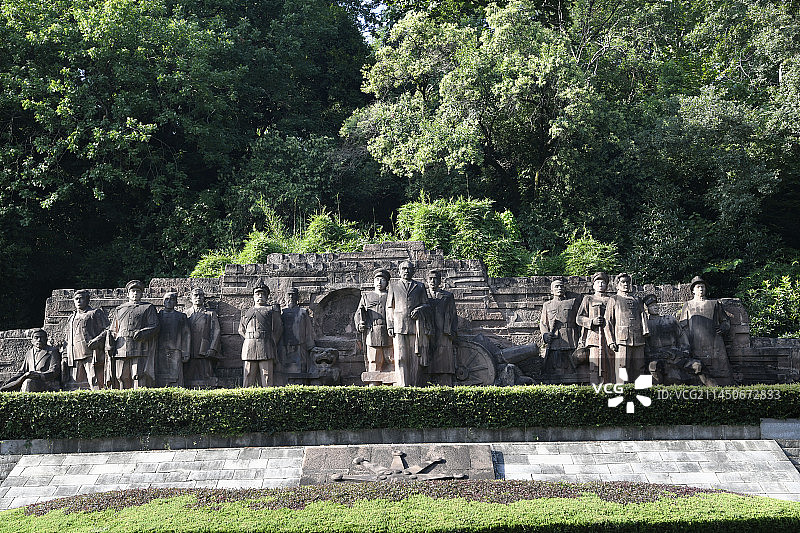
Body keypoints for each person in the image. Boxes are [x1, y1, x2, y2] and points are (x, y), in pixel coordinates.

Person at [678, 276, 734, 386]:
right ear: (693, 290)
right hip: (694, 341)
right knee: (697, 368)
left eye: (703, 287)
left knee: (719, 368)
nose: (701, 289)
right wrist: (685, 343)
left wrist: (723, 328)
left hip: (714, 341)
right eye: (698, 287)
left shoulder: (714, 304)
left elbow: (725, 321)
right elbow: (682, 326)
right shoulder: (688, 305)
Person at [643, 294, 709, 385]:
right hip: (659, 356)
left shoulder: (670, 319)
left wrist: (685, 350)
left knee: (697, 366)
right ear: (647, 309)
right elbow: (645, 346)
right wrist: (654, 355)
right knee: (653, 366)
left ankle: (715, 392)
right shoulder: (646, 325)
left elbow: (681, 335)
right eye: (652, 306)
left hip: (676, 354)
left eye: (656, 305)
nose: (655, 307)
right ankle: (657, 394)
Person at [107, 280, 160, 389]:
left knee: (138, 375)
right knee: (121, 375)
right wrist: (110, 343)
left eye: (138, 291)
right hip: (121, 346)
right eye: (133, 291)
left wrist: (143, 333)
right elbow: (113, 330)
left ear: (141, 294)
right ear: (128, 294)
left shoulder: (148, 307)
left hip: (140, 346)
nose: (135, 293)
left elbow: (155, 326)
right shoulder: (120, 309)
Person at [386, 260, 430, 387]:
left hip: (415, 326)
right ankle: (402, 384)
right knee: (400, 357)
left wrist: (419, 309)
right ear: (399, 271)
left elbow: (426, 304)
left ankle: (415, 385)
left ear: (413, 271)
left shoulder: (420, 286)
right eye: (404, 269)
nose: (406, 271)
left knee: (415, 358)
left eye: (409, 269)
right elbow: (389, 307)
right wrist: (390, 324)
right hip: (398, 326)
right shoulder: (393, 286)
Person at [604, 273, 649, 383]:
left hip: (638, 339)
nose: (625, 284)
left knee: (640, 367)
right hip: (622, 339)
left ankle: (641, 392)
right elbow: (608, 321)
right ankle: (622, 391)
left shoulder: (637, 300)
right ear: (617, 285)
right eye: (623, 282)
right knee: (622, 367)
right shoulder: (614, 299)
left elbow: (643, 315)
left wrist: (645, 332)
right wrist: (610, 341)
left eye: (627, 282)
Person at [62, 290, 109, 390]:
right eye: (76, 299)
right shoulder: (71, 317)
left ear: (87, 300)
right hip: (74, 354)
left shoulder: (95, 313)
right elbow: (67, 338)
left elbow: (108, 329)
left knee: (94, 381)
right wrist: (65, 355)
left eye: (81, 298)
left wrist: (97, 340)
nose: (78, 301)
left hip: (90, 353)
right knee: (74, 384)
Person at [354, 269, 393, 386]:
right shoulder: (367, 296)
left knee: (392, 359)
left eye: (382, 280)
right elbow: (358, 314)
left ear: (387, 282)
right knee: (374, 360)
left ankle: (391, 384)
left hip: (389, 332)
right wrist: (360, 324)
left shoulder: (391, 295)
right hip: (372, 332)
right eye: (377, 280)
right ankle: (373, 384)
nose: (379, 282)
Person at [239, 284, 282, 387]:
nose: (260, 296)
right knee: (248, 374)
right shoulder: (247, 311)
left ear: (267, 296)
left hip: (266, 344)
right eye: (257, 294)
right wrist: (249, 339)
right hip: (249, 345)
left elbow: (278, 328)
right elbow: (241, 329)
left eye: (263, 294)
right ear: (253, 296)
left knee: (266, 375)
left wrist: (271, 342)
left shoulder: (271, 310)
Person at [539, 278, 580, 382]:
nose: (559, 288)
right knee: (555, 364)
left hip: (570, 336)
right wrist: (545, 335)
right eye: (556, 286)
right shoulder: (547, 305)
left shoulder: (572, 303)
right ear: (551, 290)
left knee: (574, 363)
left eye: (561, 286)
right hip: (555, 338)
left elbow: (578, 320)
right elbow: (543, 323)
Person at [575, 272, 611, 385]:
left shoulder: (612, 300)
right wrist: (592, 322)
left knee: (610, 367)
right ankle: (595, 389)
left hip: (610, 339)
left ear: (607, 285)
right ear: (593, 285)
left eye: (603, 282)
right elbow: (579, 318)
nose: (600, 284)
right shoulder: (588, 299)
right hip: (594, 338)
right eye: (598, 282)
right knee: (595, 367)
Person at [426, 269, 458, 386]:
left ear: (439, 281)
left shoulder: (447, 296)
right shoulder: (423, 295)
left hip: (444, 333)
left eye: (435, 279)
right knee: (427, 362)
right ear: (427, 281)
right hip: (427, 332)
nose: (432, 281)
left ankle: (445, 386)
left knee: (444, 363)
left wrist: (453, 331)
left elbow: (453, 314)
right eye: (430, 279)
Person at [184, 288, 221, 388]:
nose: (198, 297)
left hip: (204, 348)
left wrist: (212, 348)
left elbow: (216, 331)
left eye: (200, 295)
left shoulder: (210, 314)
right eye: (195, 295)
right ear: (191, 298)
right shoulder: (186, 314)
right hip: (190, 349)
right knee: (188, 377)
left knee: (207, 376)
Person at [279, 287, 315, 385]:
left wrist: (310, 345)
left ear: (297, 297)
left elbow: (308, 329)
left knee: (301, 371)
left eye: (293, 295)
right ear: (285, 297)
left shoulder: (303, 312)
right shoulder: (281, 312)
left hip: (300, 345)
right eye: (289, 294)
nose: (291, 297)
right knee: (285, 371)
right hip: (284, 346)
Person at [156, 291, 191, 388]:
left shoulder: (181, 316)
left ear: (176, 302)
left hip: (176, 350)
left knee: (176, 376)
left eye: (172, 299)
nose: (169, 301)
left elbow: (186, 334)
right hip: (160, 350)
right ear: (163, 302)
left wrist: (186, 352)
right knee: (161, 375)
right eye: (166, 299)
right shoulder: (158, 316)